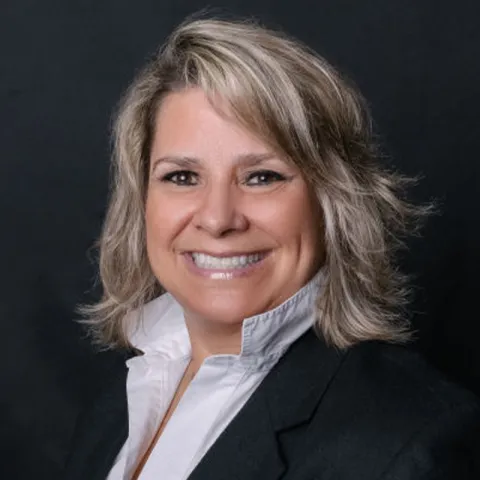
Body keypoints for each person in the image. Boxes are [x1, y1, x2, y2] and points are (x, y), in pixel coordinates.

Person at [64, 16, 480, 480]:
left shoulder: (412, 444)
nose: (219, 219)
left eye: (262, 177)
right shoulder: (126, 394)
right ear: (141, 202)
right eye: (182, 177)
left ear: (333, 201)